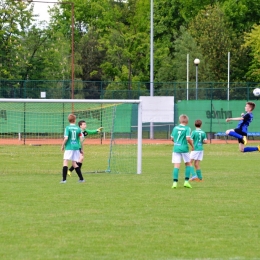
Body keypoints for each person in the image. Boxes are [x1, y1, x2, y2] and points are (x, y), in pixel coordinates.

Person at [60, 114, 85, 184]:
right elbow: (81, 139)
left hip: (69, 147)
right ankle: (81, 179)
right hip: (76, 147)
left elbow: (66, 138)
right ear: (75, 120)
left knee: (65, 162)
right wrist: (82, 149)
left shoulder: (67, 128)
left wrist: (62, 145)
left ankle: (64, 180)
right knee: (74, 163)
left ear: (69, 120)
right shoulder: (78, 129)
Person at [171, 114, 194, 189]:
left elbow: (172, 138)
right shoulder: (187, 128)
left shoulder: (175, 128)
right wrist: (192, 146)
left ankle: (174, 183)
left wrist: (176, 142)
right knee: (188, 164)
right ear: (187, 121)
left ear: (180, 120)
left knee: (176, 166)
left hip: (176, 148)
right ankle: (186, 182)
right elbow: (188, 138)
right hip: (184, 148)